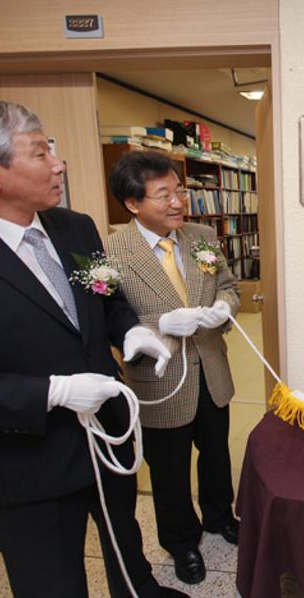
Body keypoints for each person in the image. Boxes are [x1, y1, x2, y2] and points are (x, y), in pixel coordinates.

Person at [0, 99, 185, 597]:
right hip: (24, 464)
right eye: (40, 153)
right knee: (51, 580)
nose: (58, 163)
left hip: (106, 438)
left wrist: (128, 329)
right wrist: (52, 392)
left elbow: (106, 299)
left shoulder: (75, 227)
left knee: (125, 546)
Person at [104, 150, 241, 585]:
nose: (178, 202)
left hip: (210, 369)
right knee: (169, 469)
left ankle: (221, 515)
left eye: (179, 191)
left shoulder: (201, 236)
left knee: (217, 453)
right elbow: (105, 316)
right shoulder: (111, 250)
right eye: (164, 195)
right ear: (133, 204)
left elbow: (229, 286)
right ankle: (182, 542)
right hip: (158, 381)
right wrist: (156, 324)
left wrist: (224, 307)